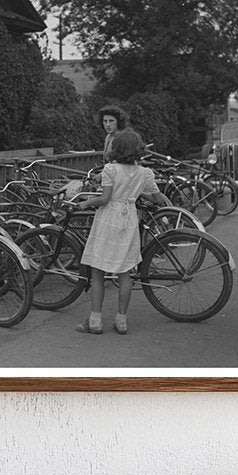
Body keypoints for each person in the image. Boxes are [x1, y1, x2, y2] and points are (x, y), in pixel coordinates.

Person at [75, 128, 169, 335]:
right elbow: (157, 198)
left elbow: (105, 199)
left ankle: (95, 321)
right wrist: (137, 194)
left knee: (98, 271)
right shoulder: (144, 173)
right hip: (129, 220)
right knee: (125, 272)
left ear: (117, 148)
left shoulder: (110, 169)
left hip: (108, 219)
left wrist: (86, 203)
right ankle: (122, 321)